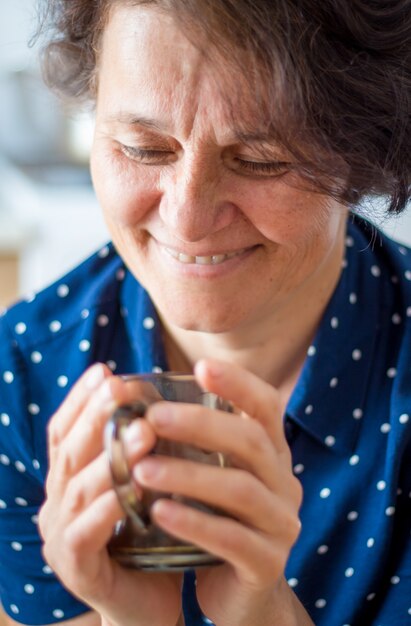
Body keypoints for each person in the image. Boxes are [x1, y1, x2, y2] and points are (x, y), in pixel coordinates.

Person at [0, 1, 410, 625]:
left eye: (262, 159)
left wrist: (265, 613)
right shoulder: (19, 379)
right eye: (142, 148)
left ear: (360, 155)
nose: (187, 219)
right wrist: (128, 616)